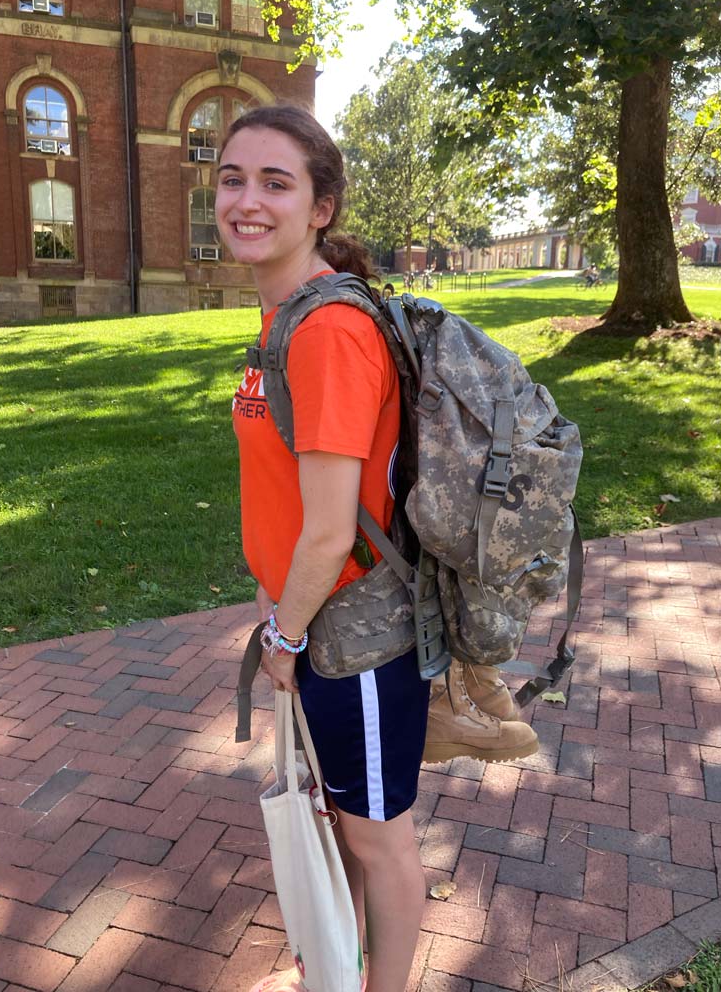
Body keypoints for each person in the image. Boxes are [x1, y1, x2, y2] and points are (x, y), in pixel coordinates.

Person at [218, 104, 430, 992]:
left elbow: (333, 529)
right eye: (232, 178)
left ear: (321, 208)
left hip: (353, 639)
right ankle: (336, 970)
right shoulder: (284, 320)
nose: (246, 200)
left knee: (379, 838)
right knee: (346, 821)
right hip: (311, 622)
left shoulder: (329, 332)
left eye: (277, 182)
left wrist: (286, 639)